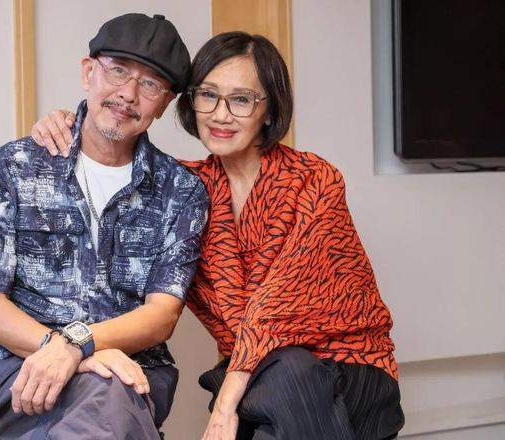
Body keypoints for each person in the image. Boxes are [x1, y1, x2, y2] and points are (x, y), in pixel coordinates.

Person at [32, 31, 405, 440]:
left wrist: (225, 404)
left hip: (347, 370)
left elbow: (275, 308)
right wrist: (71, 123)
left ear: (270, 109)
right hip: (256, 381)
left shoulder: (315, 179)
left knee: (289, 370)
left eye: (241, 100)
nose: (220, 115)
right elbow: (121, 158)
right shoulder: (184, 189)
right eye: (208, 95)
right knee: (276, 381)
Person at [0, 13, 209, 440]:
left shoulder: (181, 192)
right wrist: (66, 351)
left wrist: (78, 344)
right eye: (118, 71)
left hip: (132, 370)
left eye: (150, 84)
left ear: (165, 103)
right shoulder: (8, 170)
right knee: (106, 392)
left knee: (108, 390)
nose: (128, 94)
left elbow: (161, 315)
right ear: (87, 72)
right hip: (20, 365)